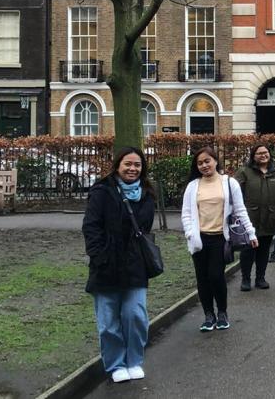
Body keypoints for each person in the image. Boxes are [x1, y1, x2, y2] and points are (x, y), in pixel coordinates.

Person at [82, 147, 156, 383]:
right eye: (128, 164)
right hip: (106, 264)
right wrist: (98, 255)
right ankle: (116, 364)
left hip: (135, 264)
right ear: (117, 166)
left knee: (135, 315)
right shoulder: (102, 191)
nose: (132, 169)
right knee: (108, 322)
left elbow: (145, 227)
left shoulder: (146, 194)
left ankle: (134, 360)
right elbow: (91, 226)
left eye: (137, 165)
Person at [181, 147, 258, 332]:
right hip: (199, 239)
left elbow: (240, 210)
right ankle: (209, 315)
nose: (204, 165)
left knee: (216, 276)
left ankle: (222, 312)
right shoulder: (193, 186)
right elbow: (186, 213)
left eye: (207, 161)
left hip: (220, 239)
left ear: (216, 161)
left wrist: (251, 233)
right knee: (202, 279)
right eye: (200, 163)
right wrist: (190, 234)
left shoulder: (229, 183)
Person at [234, 143, 275, 291]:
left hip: (270, 218)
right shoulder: (244, 172)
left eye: (265, 152)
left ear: (269, 154)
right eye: (259, 153)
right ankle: (245, 279)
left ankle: (260, 278)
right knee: (247, 251)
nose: (263, 155)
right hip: (249, 220)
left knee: (264, 250)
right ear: (253, 156)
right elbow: (233, 193)